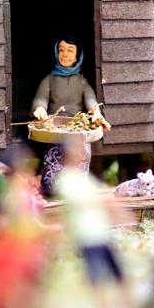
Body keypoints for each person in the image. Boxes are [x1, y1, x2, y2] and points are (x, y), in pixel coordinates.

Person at [52, 134, 133, 308]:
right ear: (68, 154)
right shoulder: (65, 180)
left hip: (100, 234)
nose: (81, 151)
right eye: (77, 148)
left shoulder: (82, 178)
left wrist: (112, 207)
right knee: (99, 284)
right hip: (87, 238)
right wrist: (109, 204)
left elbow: (100, 197)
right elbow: (86, 202)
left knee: (119, 276)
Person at [32, 37, 109, 195]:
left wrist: (96, 113)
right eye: (61, 50)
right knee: (54, 155)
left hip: (76, 129)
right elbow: (41, 98)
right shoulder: (50, 80)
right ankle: (52, 188)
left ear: (77, 56)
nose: (65, 54)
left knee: (80, 153)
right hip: (55, 129)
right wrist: (40, 109)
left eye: (70, 50)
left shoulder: (82, 82)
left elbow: (90, 99)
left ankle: (76, 188)